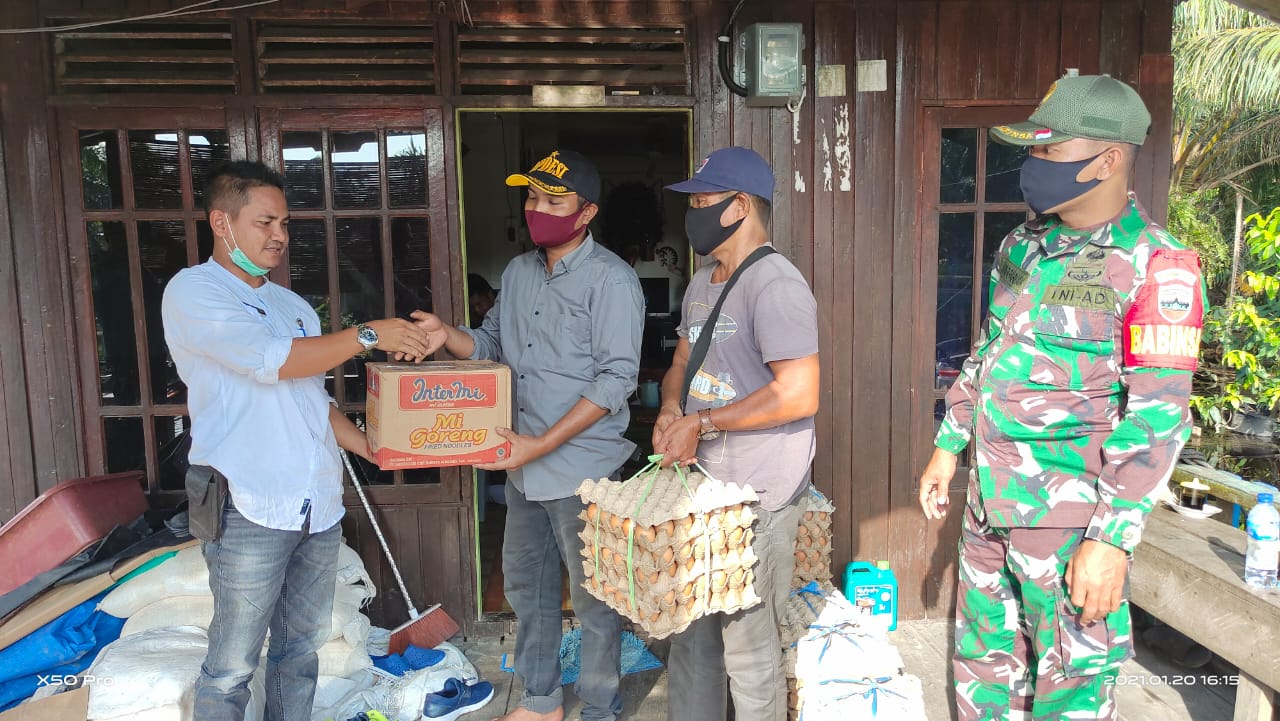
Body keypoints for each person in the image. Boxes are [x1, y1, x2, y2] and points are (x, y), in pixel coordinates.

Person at [917, 74, 1207, 721]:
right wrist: (948, 444)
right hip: (991, 511)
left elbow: (1158, 419)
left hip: (1070, 531)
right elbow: (988, 351)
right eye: (1034, 149)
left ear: (1108, 158)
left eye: (1050, 150)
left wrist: (1109, 540)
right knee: (981, 683)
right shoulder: (1023, 246)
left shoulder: (1157, 265)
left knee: (1067, 699)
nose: (1033, 163)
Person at [161, 161, 433, 721]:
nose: (279, 236)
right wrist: (366, 335)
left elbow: (312, 401)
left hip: (316, 504)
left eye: (284, 223)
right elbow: (272, 361)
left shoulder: (294, 308)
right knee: (233, 664)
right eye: (264, 222)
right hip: (248, 505)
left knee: (299, 651)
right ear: (221, 222)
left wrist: (374, 447)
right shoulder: (193, 292)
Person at [411, 150, 644, 721]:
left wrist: (540, 444)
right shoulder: (516, 274)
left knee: (594, 599)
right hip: (522, 466)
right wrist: (447, 334)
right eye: (532, 197)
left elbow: (618, 378)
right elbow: (489, 347)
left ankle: (598, 705)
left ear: (585, 212)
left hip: (582, 470)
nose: (538, 209)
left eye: (553, 201)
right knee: (528, 593)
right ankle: (541, 701)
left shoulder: (611, 280)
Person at [653, 146, 820, 721]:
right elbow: (682, 358)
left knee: (749, 650)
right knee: (691, 633)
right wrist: (672, 407)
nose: (691, 213)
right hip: (703, 487)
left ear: (740, 205)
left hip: (760, 492)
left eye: (701, 202)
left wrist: (703, 422)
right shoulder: (704, 279)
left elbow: (799, 393)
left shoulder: (776, 284)